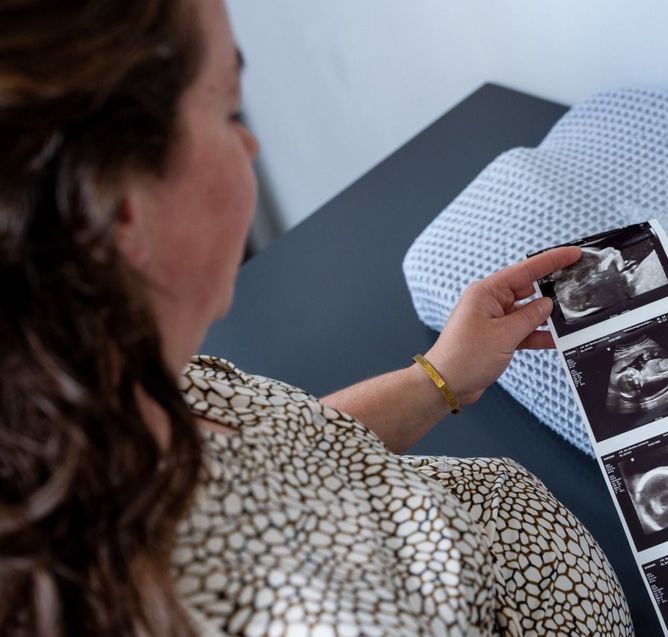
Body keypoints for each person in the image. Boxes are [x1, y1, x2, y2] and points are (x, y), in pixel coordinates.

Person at [0, 1, 634, 635]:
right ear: (122, 207)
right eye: (228, 111)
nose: (251, 143)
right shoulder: (335, 615)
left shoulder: (101, 383)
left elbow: (279, 470)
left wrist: (441, 378)